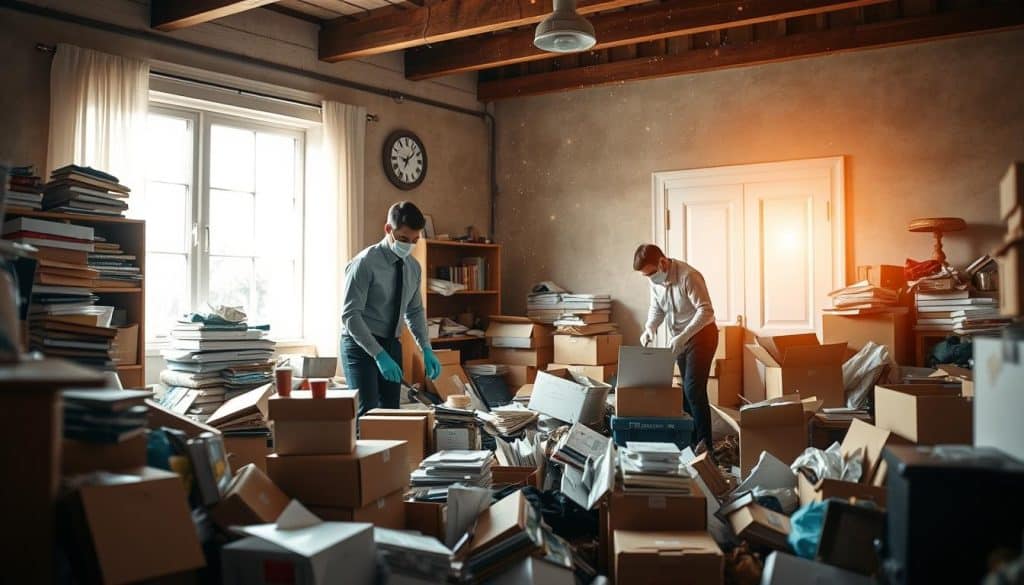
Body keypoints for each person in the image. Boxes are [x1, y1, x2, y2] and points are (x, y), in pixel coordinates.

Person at [341, 201, 441, 414]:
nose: (409, 245)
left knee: (391, 414)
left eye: (415, 240)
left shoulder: (414, 268)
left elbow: (414, 311)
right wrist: (378, 354)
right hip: (360, 344)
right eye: (404, 239)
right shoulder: (364, 263)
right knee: (367, 414)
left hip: (391, 343)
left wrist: (426, 348)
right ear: (388, 230)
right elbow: (350, 316)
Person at [634, 244, 718, 450]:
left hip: (702, 335)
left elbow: (706, 311)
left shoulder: (689, 276)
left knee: (693, 389)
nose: (651, 279)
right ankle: (691, 442)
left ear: (663, 262)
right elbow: (657, 308)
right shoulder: (654, 281)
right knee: (688, 394)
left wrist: (684, 336)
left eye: (652, 273)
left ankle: (705, 445)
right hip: (679, 339)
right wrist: (650, 328)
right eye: (646, 276)